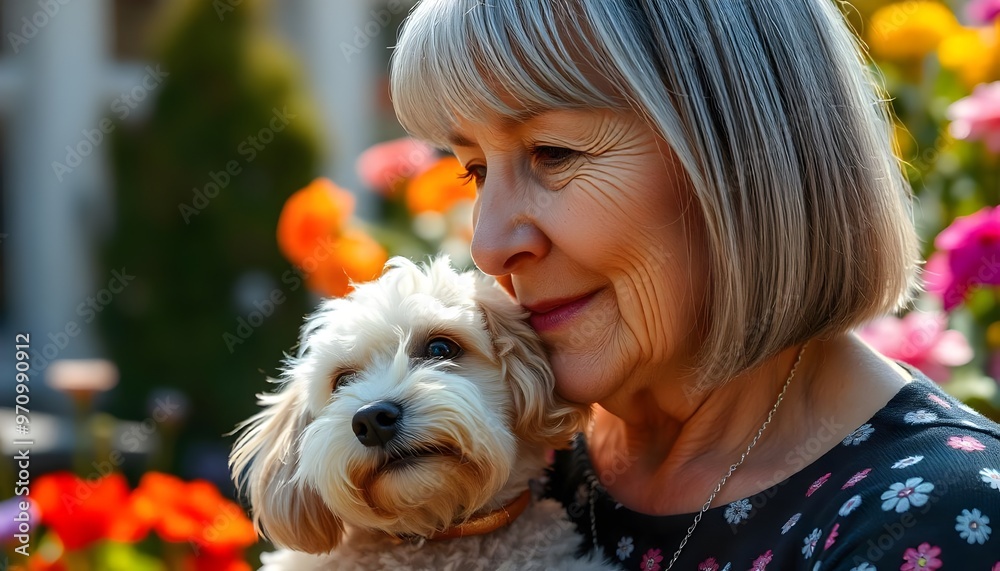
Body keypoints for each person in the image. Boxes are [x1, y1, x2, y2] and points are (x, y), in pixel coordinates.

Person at [389, 1, 1000, 568]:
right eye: (475, 169)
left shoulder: (936, 516)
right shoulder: (492, 467)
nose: (487, 245)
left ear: (746, 153)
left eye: (553, 152)